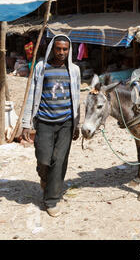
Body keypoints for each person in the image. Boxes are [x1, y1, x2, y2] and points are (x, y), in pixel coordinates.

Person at [21, 35, 81, 217]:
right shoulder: (41, 68)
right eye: (58, 49)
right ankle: (45, 179)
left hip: (66, 123)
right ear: (51, 49)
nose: (62, 52)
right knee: (43, 160)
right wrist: (26, 123)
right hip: (45, 122)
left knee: (59, 160)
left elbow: (77, 98)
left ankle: (52, 200)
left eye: (65, 49)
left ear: (69, 50)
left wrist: (76, 124)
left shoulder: (74, 70)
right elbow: (32, 94)